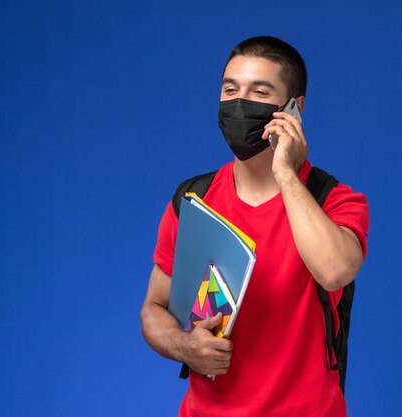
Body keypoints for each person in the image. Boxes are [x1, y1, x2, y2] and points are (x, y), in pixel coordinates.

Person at [140, 36, 369, 417]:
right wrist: (184, 347)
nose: (238, 104)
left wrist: (285, 172)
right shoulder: (192, 200)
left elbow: (334, 272)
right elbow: (153, 308)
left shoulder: (335, 200)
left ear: (294, 108)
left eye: (259, 92)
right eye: (230, 90)